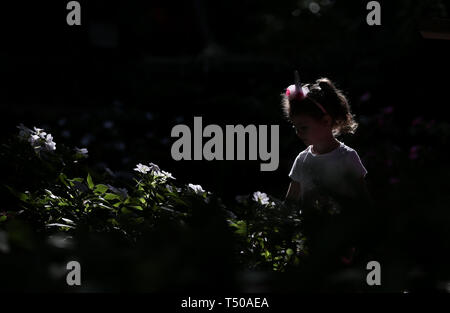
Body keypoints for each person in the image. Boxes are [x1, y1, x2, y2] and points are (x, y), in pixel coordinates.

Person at [282, 74, 373, 289]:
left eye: (303, 127)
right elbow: (290, 201)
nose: (297, 133)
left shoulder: (347, 158)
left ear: (326, 121)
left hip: (341, 245)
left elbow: (363, 201)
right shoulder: (302, 159)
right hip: (308, 245)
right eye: (295, 127)